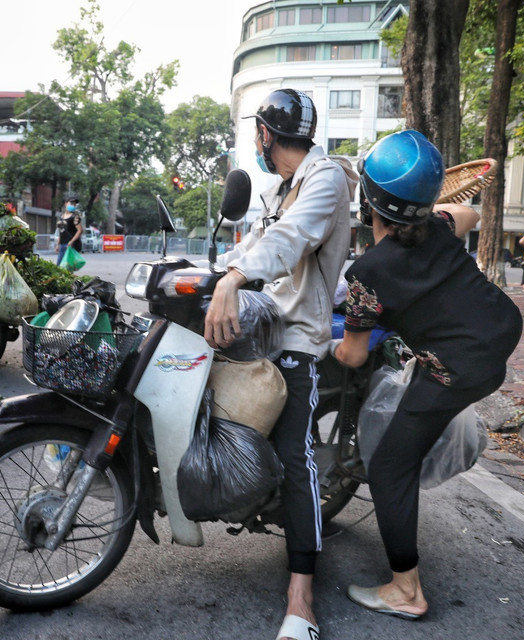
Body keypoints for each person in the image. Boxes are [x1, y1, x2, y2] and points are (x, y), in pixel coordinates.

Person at [332, 130, 523, 621]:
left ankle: (405, 591)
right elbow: (469, 214)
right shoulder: (439, 224)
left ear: (367, 201)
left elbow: (352, 356)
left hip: (459, 365)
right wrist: (433, 214)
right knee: (415, 408)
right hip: (499, 332)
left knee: (391, 466)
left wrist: (321, 339)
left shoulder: (368, 274)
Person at [204, 88, 358, 640]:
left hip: (296, 339)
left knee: (297, 458)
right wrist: (214, 270)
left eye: (256, 134)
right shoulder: (278, 189)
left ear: (266, 135)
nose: (255, 143)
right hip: (258, 326)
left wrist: (234, 281)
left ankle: (302, 599)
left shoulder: (327, 179)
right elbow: (254, 246)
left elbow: (291, 242)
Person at [56, 195, 83, 266]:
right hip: (62, 244)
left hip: (70, 245)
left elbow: (80, 230)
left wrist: (71, 241)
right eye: (71, 203)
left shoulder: (74, 217)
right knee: (59, 265)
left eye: (74, 204)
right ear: (66, 203)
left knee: (66, 266)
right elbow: (61, 231)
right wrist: (57, 244)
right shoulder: (61, 217)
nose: (73, 206)